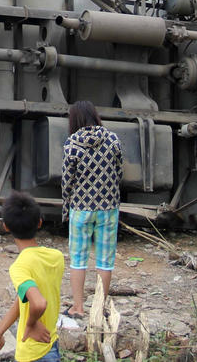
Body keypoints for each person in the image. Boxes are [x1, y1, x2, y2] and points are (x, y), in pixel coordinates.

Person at [60, 100, 123, 316]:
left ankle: (77, 307)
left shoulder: (72, 143)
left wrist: (66, 205)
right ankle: (100, 307)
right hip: (108, 207)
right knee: (105, 260)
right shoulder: (112, 139)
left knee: (78, 259)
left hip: (81, 208)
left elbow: (67, 180)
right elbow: (119, 170)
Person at [0, 191, 63, 362]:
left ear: (6, 227)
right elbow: (25, 299)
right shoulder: (56, 257)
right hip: (50, 344)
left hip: (32, 352)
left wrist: (31, 324)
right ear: (39, 223)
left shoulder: (20, 267)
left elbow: (38, 302)